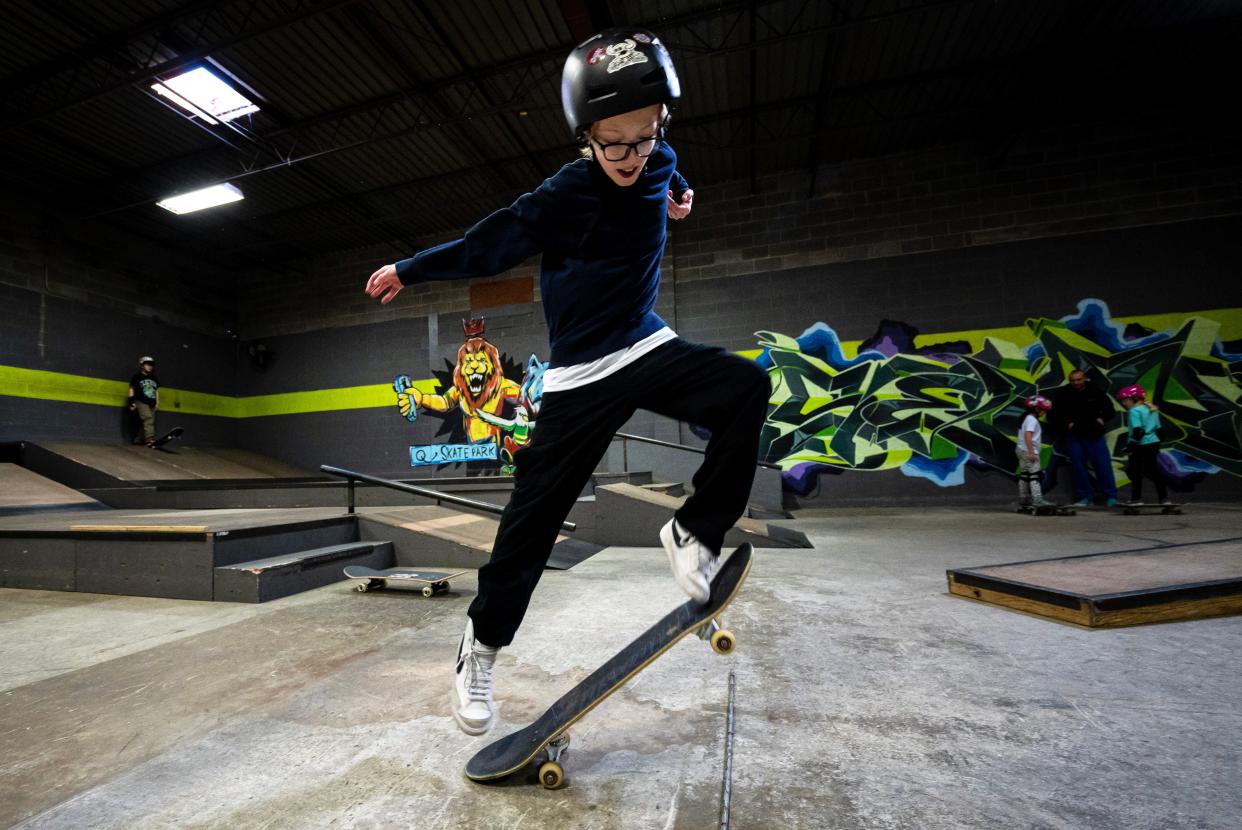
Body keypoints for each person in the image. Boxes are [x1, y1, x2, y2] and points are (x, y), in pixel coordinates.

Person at [363, 28, 770, 736]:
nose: (630, 158)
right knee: (531, 528)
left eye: (644, 139)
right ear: (587, 136)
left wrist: (678, 196)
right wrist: (410, 268)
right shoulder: (569, 192)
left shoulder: (657, 157)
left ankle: (694, 531)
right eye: (615, 143)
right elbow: (486, 244)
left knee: (745, 388)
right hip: (580, 376)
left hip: (646, 343)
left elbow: (668, 172)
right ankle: (480, 648)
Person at [1050, 369, 1118, 506]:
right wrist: (1067, 424)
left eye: (1079, 380)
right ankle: (1085, 497)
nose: (1076, 383)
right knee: (1078, 468)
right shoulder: (1063, 395)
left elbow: (1110, 410)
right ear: (1070, 381)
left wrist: (1102, 419)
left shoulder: (1096, 392)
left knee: (1103, 466)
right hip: (1074, 437)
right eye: (1073, 380)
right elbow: (1053, 414)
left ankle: (1111, 497)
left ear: (1084, 379)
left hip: (1095, 435)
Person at [1117, 384, 1170, 505]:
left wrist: (1131, 446)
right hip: (1153, 443)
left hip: (1140, 445)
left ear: (1134, 399)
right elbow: (1160, 430)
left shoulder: (1134, 411)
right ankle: (1164, 498)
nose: (1124, 403)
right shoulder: (1152, 409)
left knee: (1134, 472)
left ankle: (1136, 499)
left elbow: (1138, 431)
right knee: (1152, 471)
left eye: (1125, 400)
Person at [1015, 395, 1054, 508]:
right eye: (1043, 411)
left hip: (1021, 450)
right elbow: (1028, 434)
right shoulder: (1032, 420)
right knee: (1035, 475)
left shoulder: (1026, 418)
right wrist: (1031, 452)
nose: (1044, 413)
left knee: (1025, 474)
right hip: (1028, 451)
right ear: (1037, 409)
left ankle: (1023, 499)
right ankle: (1037, 499)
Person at [128, 356, 160, 447]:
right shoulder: (137, 377)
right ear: (142, 365)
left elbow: (156, 390)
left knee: (148, 421)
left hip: (152, 403)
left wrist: (157, 402)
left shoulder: (153, 378)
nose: (150, 367)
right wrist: (131, 402)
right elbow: (131, 389)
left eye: (151, 365)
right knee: (148, 419)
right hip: (140, 401)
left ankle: (138, 439)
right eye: (147, 364)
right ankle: (150, 439)